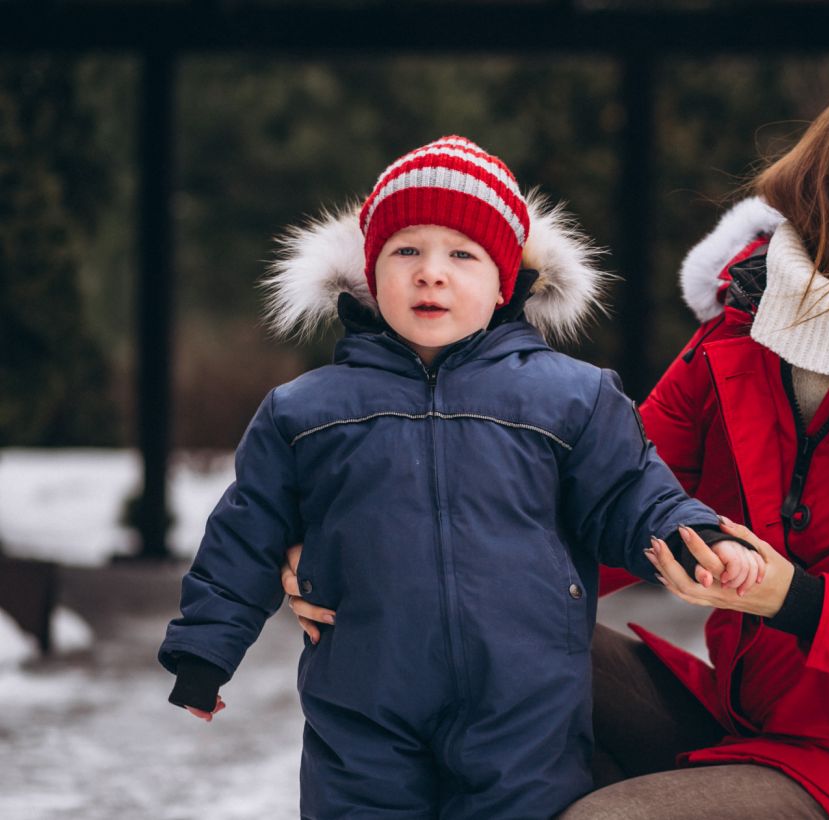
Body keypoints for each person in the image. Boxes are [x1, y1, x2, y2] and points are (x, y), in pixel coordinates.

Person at [288, 74, 829, 819]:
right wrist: (373, 566)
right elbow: (589, 504)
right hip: (750, 723)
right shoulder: (742, 337)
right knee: (468, 655)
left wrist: (800, 601)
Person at [158, 136, 762, 820]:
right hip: (364, 700)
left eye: (462, 254)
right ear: (369, 272)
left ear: (506, 280)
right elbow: (245, 531)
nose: (430, 274)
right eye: (405, 250)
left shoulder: (571, 398)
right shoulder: (307, 410)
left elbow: (631, 494)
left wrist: (696, 538)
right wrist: (205, 651)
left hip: (523, 706)